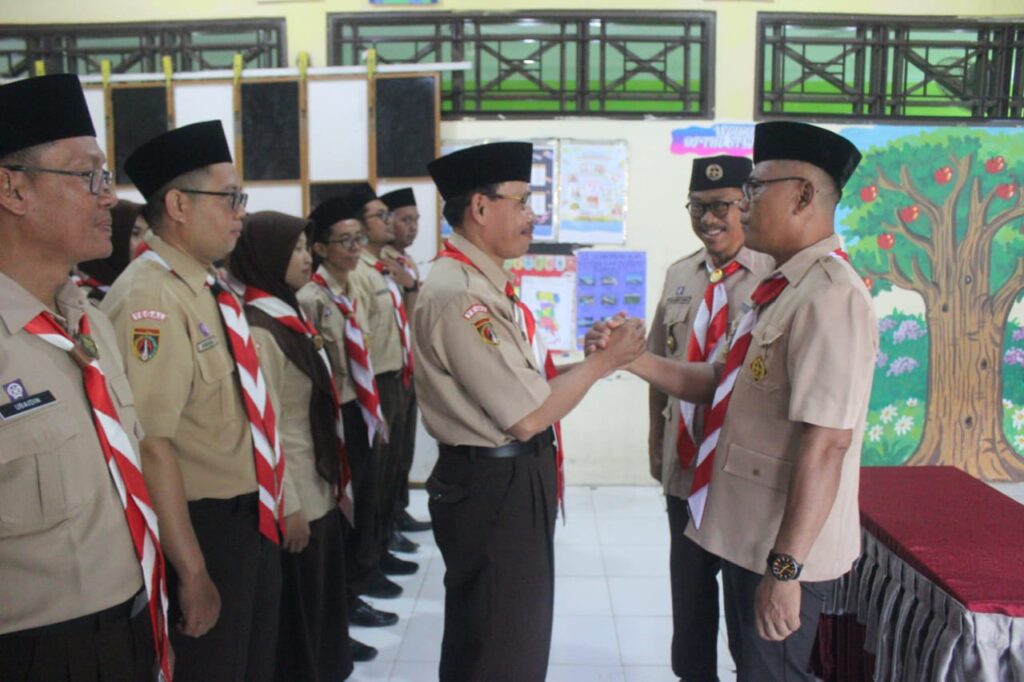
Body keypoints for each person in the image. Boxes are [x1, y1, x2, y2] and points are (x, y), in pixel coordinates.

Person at [590, 122, 875, 681]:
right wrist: (632, 358)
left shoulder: (831, 296)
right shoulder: (785, 289)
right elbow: (722, 380)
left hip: (779, 542)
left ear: (803, 195)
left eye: (755, 188)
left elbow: (828, 445)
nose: (743, 205)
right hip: (747, 528)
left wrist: (786, 570)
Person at [416, 141, 646, 681]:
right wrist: (605, 362)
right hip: (494, 487)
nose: (532, 215)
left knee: (502, 634)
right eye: (521, 202)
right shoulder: (461, 295)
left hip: (505, 481)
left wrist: (588, 363)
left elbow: (522, 384)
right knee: (501, 646)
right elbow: (526, 415)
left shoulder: (482, 283)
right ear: (480, 207)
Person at [0, 74, 169, 682]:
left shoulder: (87, 321)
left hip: (132, 623)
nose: (109, 198)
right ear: (13, 189)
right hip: (35, 652)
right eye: (88, 176)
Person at [102, 120, 284, 682]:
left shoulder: (204, 284)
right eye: (229, 198)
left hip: (249, 517)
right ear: (178, 205)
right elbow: (150, 446)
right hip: (204, 529)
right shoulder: (151, 298)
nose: (240, 213)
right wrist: (194, 571)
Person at [647, 155, 773, 681]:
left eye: (721, 206)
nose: (708, 219)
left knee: (747, 614)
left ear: (746, 203)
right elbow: (659, 364)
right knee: (690, 601)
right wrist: (655, 442)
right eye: (697, 207)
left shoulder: (774, 276)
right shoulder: (681, 274)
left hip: (741, 478)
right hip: (685, 466)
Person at [230, 211, 355, 682]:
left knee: (322, 611)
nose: (307, 258)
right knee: (300, 620)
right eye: (296, 249)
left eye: (306, 247)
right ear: (267, 256)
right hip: (297, 496)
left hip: (319, 486)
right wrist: (290, 506)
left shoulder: (290, 315)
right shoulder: (261, 329)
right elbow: (268, 429)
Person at [299, 194, 398, 639]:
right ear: (320, 248)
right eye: (345, 241)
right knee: (347, 506)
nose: (356, 248)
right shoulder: (311, 298)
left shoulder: (348, 289)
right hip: (336, 415)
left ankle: (359, 581)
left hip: (361, 406)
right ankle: (346, 597)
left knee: (369, 495)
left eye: (359, 238)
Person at [346, 183, 420, 588]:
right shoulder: (358, 272)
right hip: (376, 382)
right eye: (382, 216)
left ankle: (385, 539)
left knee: (392, 467)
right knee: (373, 477)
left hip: (399, 374)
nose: (391, 222)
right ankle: (368, 559)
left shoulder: (384, 266)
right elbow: (360, 338)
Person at [378, 186, 431, 541]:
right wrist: (412, 289)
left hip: (408, 366)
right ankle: (386, 524)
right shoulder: (383, 262)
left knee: (403, 448)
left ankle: (398, 511)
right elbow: (406, 318)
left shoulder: (405, 261)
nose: (412, 227)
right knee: (388, 454)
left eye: (416, 220)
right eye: (405, 220)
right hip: (389, 369)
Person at [76, 199, 147, 300]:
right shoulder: (79, 298)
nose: (145, 243)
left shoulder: (143, 289)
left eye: (148, 234)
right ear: (113, 236)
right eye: (135, 233)